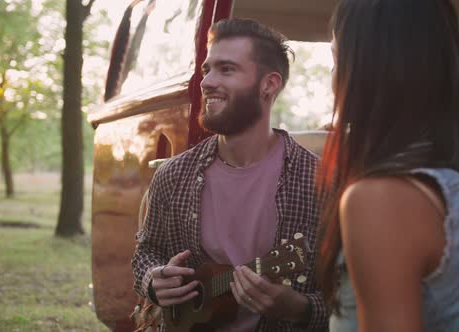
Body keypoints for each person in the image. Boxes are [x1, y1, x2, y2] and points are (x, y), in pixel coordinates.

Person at [132, 18, 328, 332]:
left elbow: (352, 295)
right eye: (207, 69)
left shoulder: (319, 182)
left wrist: (303, 309)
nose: (206, 81)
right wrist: (152, 280)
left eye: (226, 69)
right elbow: (147, 249)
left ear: (269, 84)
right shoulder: (174, 174)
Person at [316, 0, 459, 331]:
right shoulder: (457, 173)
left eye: (336, 60)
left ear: (368, 66)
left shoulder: (380, 198)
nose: (333, 80)